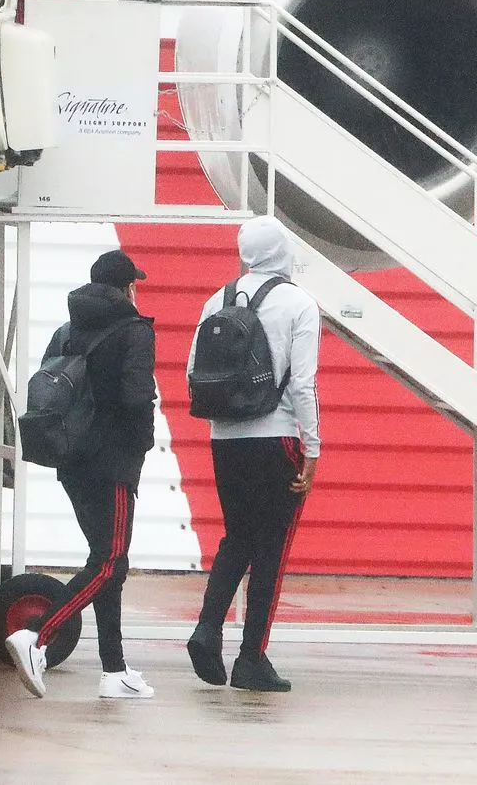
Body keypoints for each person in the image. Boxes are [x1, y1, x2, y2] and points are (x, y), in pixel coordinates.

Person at [4, 249, 158, 700]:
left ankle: (115, 670)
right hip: (113, 462)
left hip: (72, 460)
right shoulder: (134, 332)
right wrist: (141, 445)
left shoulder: (67, 331)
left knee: (107, 562)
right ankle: (38, 637)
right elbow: (136, 399)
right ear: (127, 286)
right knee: (109, 562)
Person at [185, 216, 321, 693]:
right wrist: (313, 449)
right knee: (272, 550)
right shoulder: (299, 304)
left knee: (236, 538)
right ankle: (251, 658)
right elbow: (303, 384)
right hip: (277, 437)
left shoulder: (215, 302)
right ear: (283, 252)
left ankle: (207, 627)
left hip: (226, 441)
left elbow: (191, 375)